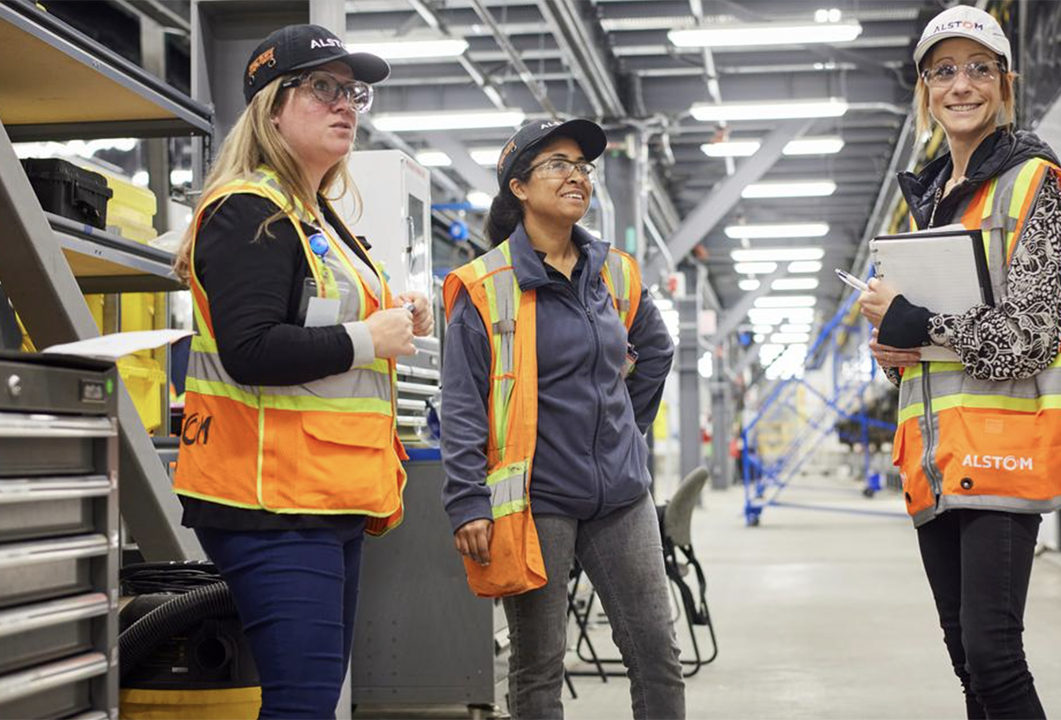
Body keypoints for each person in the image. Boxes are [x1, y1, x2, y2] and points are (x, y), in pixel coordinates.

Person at [170, 24, 433, 718]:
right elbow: (250, 349)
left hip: (322, 493)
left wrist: (396, 316)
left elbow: (318, 322)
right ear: (273, 105)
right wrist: (368, 337)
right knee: (303, 703)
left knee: (308, 698)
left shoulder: (318, 217)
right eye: (324, 87)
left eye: (354, 91)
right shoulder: (248, 212)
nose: (346, 103)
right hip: (270, 501)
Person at [860, 6, 1061, 718]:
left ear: (1004, 84)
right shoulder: (930, 203)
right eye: (943, 71)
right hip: (937, 457)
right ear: (925, 91)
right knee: (968, 659)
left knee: (995, 654)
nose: (960, 85)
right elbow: (933, 350)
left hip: (1007, 450)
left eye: (977, 69)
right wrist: (894, 350)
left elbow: (1028, 334)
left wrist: (919, 320)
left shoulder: (1037, 186)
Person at [439, 119, 683, 719]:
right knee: (539, 666)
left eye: (583, 166)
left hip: (621, 496)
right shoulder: (485, 284)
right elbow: (463, 399)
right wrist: (466, 500)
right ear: (518, 187)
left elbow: (655, 350)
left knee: (656, 652)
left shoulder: (614, 271)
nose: (576, 175)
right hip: (535, 499)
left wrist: (626, 429)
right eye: (557, 164)